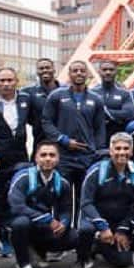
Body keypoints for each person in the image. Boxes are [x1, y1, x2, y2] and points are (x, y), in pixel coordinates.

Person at [73, 132, 134, 268]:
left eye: (126, 149)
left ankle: (116, 246)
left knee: (123, 261)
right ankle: (83, 257)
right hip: (97, 219)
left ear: (132, 151)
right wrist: (102, 227)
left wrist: (123, 228)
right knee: (85, 230)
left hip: (119, 220)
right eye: (118, 148)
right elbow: (86, 203)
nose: (122, 152)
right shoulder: (96, 171)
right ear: (110, 151)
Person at [7, 140, 75, 268]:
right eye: (43, 155)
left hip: (45, 227)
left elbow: (66, 209)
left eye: (52, 155)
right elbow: (16, 206)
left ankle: (39, 251)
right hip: (25, 224)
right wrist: (47, 220)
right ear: (36, 158)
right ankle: (23, 263)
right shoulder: (23, 177)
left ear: (58, 158)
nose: (48, 158)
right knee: (21, 223)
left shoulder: (62, 183)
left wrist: (63, 223)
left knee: (75, 237)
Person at [0, 67, 31, 257]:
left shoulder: (26, 100)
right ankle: (3, 236)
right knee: (0, 198)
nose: (6, 84)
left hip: (20, 156)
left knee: (20, 195)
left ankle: (20, 235)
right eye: (2, 80)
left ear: (16, 81)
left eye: (9, 80)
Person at [41, 60, 107, 191]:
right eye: (75, 71)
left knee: (83, 196)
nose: (79, 73)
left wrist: (98, 150)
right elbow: (46, 122)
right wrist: (63, 139)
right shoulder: (57, 96)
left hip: (87, 156)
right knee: (61, 196)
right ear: (69, 74)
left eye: (82, 71)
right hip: (63, 156)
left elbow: (100, 128)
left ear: (87, 74)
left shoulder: (96, 99)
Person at [22, 58, 61, 157]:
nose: (44, 70)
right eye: (41, 68)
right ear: (37, 72)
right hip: (39, 142)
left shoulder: (65, 91)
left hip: (62, 143)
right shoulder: (28, 92)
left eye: (47, 67)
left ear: (54, 69)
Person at [91, 60, 134, 140]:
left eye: (111, 70)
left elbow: (129, 114)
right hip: (96, 138)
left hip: (119, 138)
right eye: (104, 70)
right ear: (99, 72)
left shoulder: (125, 93)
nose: (108, 72)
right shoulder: (92, 93)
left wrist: (103, 111)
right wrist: (117, 115)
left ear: (116, 71)